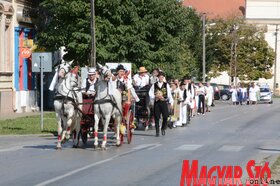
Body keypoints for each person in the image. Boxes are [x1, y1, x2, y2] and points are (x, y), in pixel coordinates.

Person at [149, 72, 173, 137]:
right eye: (160, 77)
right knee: (157, 117)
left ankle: (163, 128)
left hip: (164, 102)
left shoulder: (166, 85)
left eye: (162, 77)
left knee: (165, 116)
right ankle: (157, 132)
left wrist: (170, 101)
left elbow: (169, 94)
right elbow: (150, 93)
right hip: (157, 102)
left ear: (163, 78)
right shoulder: (154, 85)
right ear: (158, 77)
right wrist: (155, 97)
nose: (161, 78)